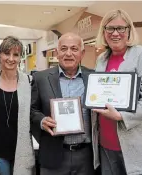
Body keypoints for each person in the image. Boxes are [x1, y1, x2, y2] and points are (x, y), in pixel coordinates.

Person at [93, 9, 142, 175]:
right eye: (109, 28)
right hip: (107, 147)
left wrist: (122, 116)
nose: (115, 33)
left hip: (139, 148)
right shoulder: (102, 59)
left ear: (129, 30)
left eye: (120, 28)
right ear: (103, 32)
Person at [30, 32, 99, 175]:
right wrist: (41, 120)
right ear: (56, 52)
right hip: (53, 155)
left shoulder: (94, 77)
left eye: (74, 49)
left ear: (82, 53)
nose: (68, 53)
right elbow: (31, 110)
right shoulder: (41, 78)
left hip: (86, 156)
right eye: (63, 49)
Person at [0, 36, 35, 175]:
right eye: (7, 53)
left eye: (16, 55)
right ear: (0, 54)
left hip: (21, 150)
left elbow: (34, 113)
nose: (11, 59)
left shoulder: (29, 82)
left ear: (20, 58)